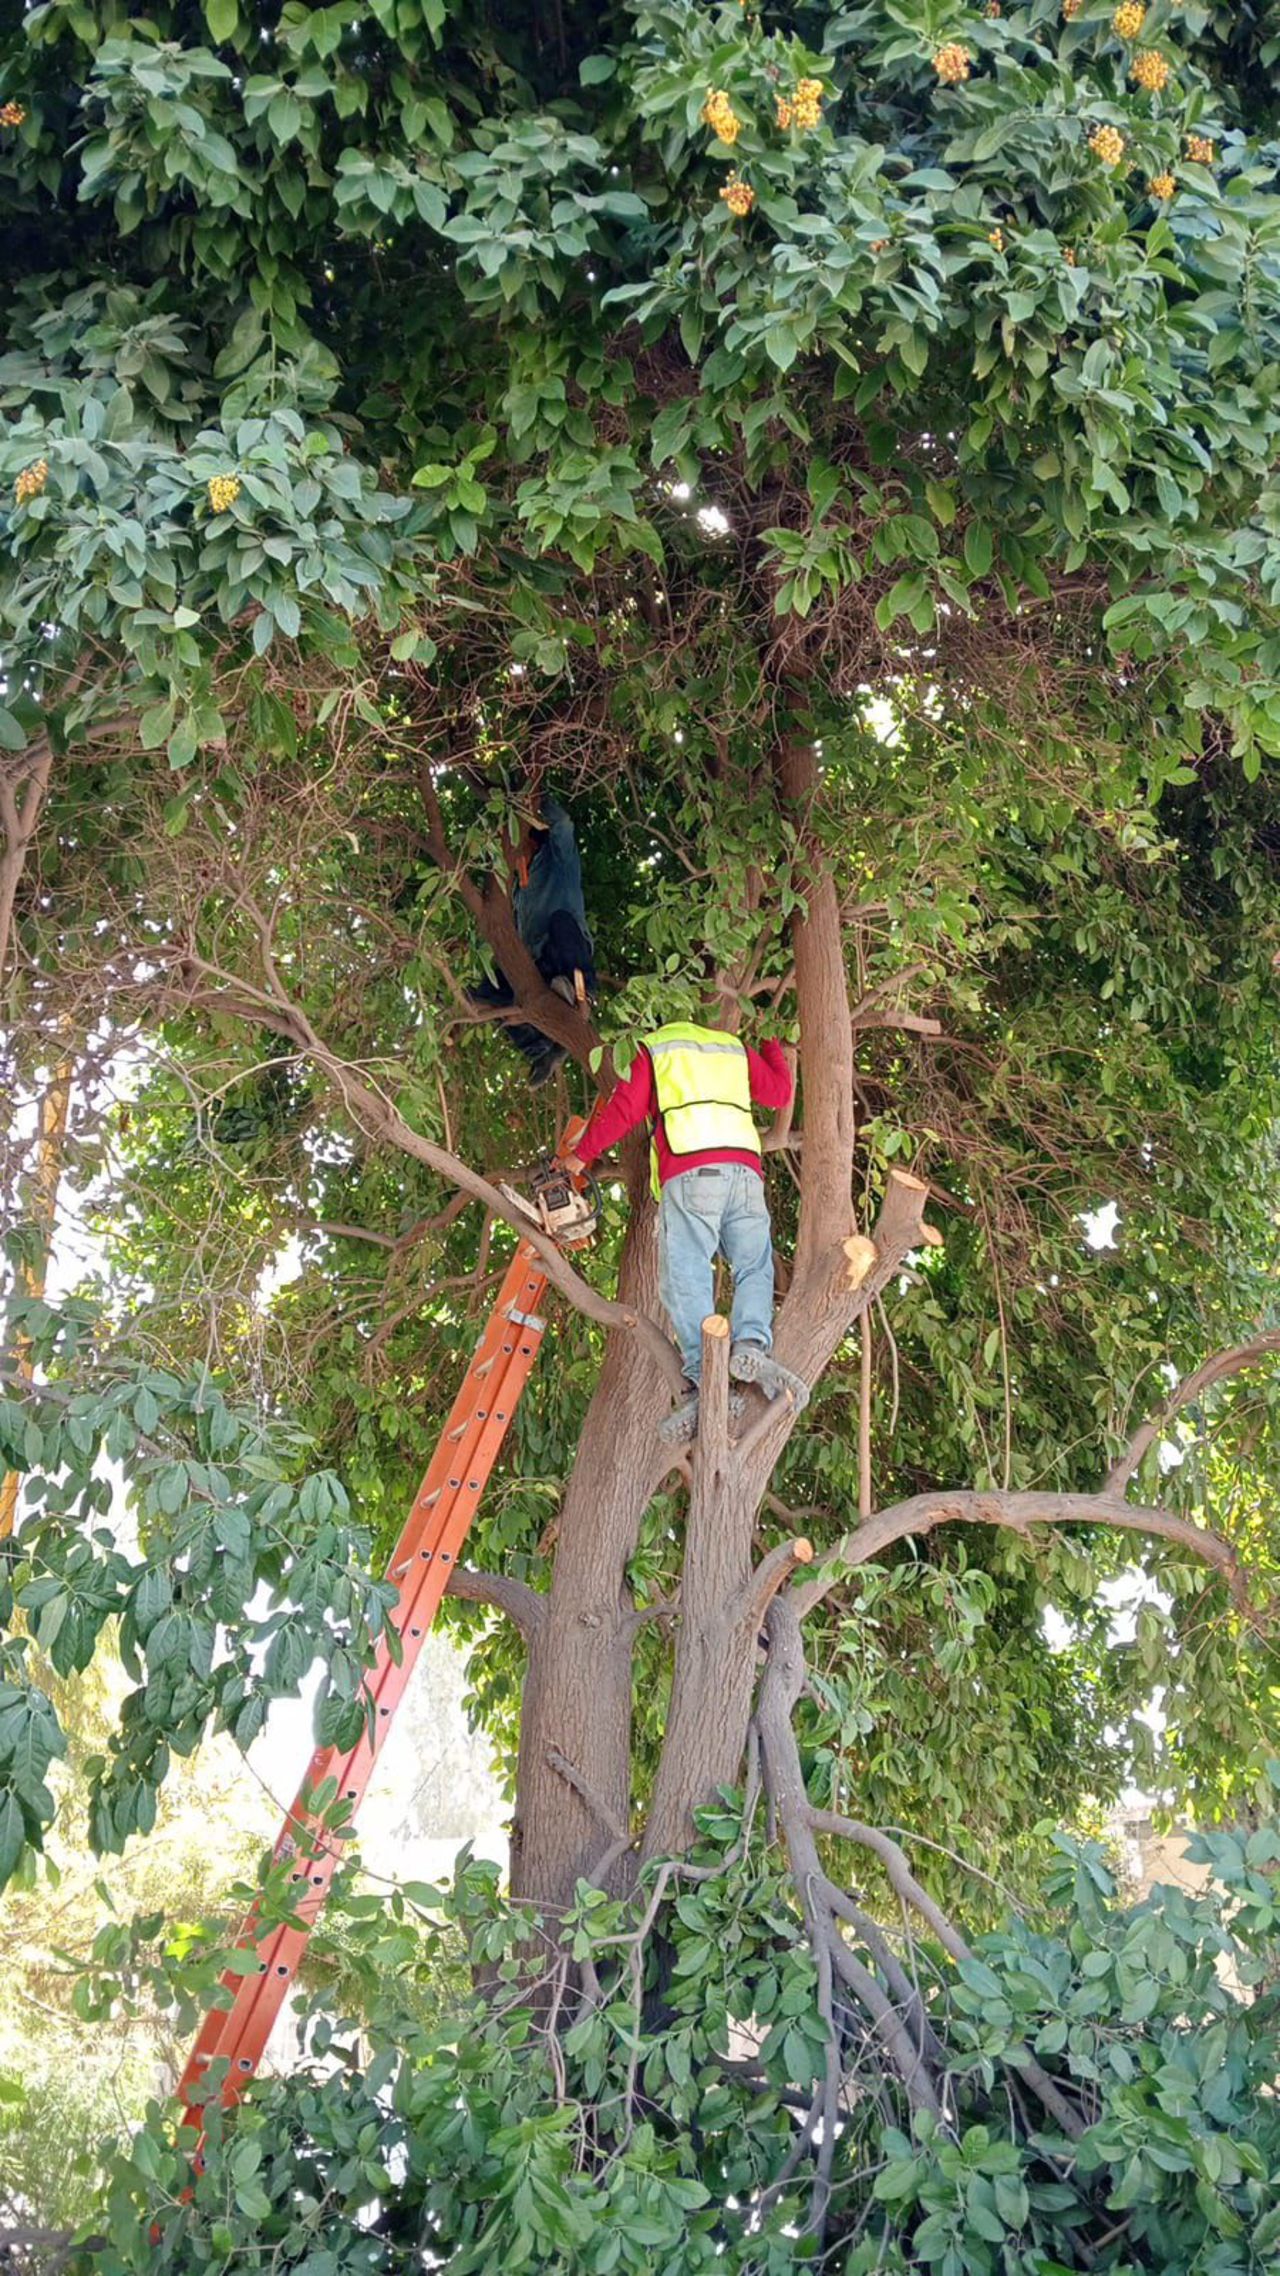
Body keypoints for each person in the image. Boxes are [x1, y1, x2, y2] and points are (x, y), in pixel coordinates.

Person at [563, 1017, 807, 1442]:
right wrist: (770, 1036)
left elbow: (624, 1110)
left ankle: (701, 1374)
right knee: (753, 1264)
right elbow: (780, 1093)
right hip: (746, 1173)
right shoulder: (731, 1047)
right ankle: (750, 1346)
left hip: (695, 1169)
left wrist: (579, 1157)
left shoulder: (655, 1048)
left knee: (686, 1273)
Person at [470, 793, 597, 1086]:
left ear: (531, 839)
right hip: (539, 962)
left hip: (564, 947)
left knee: (561, 922)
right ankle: (542, 1050)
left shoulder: (558, 860)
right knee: (498, 977)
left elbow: (563, 823)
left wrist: (532, 799)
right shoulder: (519, 891)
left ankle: (583, 992)